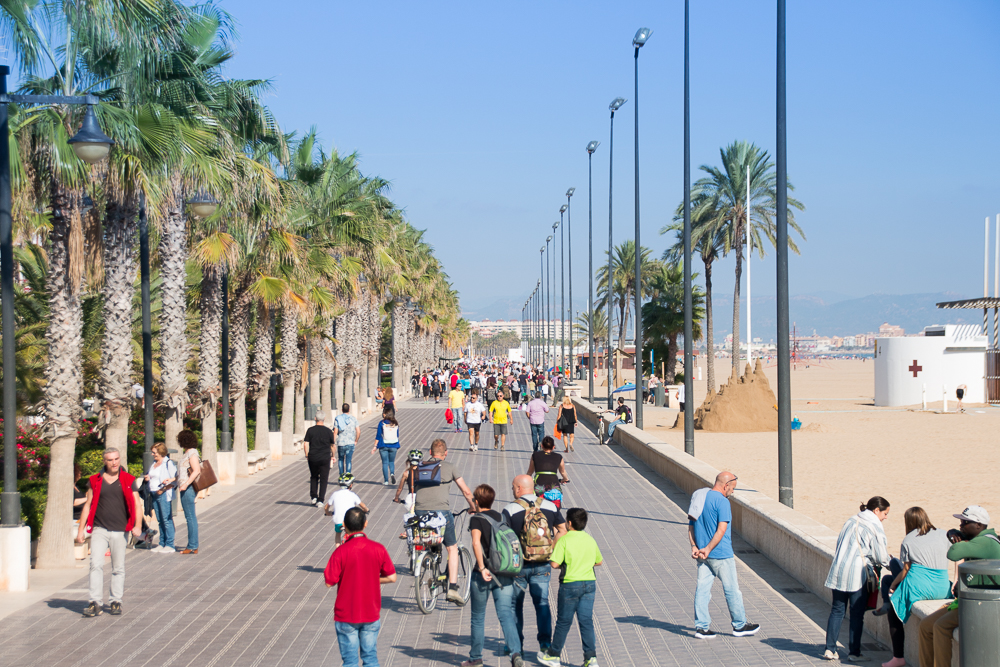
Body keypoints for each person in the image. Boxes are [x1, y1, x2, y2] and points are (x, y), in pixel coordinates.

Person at [918, 505, 1000, 667]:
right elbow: (955, 538)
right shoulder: (980, 539)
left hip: (981, 605)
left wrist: (956, 538)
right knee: (925, 626)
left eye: (965, 522)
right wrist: (952, 533)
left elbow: (953, 553)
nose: (961, 525)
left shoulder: (984, 542)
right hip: (969, 600)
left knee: (940, 627)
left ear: (978, 525)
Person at [872, 508, 951, 667]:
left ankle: (898, 657)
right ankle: (887, 599)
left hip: (919, 587)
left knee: (892, 584)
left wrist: (893, 586)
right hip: (942, 586)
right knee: (889, 577)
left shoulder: (908, 540)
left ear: (908, 522)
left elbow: (906, 570)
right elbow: (957, 554)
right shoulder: (944, 534)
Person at [690, 471, 761, 639]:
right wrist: (708, 548)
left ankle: (701, 627)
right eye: (733, 488)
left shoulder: (699, 495)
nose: (733, 492)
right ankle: (739, 625)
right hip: (720, 554)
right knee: (732, 590)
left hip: (702, 554)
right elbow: (721, 530)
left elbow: (691, 524)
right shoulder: (722, 502)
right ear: (725, 485)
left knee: (702, 590)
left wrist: (694, 546)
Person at [503, 474, 568, 655]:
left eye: (512, 487)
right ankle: (545, 643)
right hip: (543, 563)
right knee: (542, 603)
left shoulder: (510, 509)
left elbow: (502, 538)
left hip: (518, 565)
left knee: (515, 604)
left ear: (518, 488)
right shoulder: (549, 506)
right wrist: (551, 549)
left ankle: (516, 645)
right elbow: (563, 529)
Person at [324, 506, 396, 667]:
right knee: (370, 658)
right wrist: (371, 578)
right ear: (365, 524)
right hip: (370, 612)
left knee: (349, 661)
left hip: (346, 615)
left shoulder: (340, 552)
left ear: (344, 525)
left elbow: (329, 581)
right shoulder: (378, 548)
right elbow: (392, 577)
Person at [822, 496, 891, 661]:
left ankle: (829, 649)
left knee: (837, 611)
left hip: (838, 570)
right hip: (857, 574)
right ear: (876, 511)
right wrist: (892, 564)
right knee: (856, 614)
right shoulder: (874, 525)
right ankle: (854, 653)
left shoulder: (851, 520)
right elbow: (881, 556)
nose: (886, 517)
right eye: (885, 513)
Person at [76, 448, 142, 617]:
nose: (114, 462)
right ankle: (95, 602)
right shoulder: (95, 480)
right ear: (104, 462)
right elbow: (88, 505)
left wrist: (138, 525)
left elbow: (136, 504)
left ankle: (115, 601)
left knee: (118, 567)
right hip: (100, 529)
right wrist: (80, 531)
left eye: (117, 459)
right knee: (95, 565)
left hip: (120, 530)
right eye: (110, 460)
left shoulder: (128, 479)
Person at [464, 484, 524, 667]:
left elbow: (475, 543)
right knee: (506, 614)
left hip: (483, 575)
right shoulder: (501, 517)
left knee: (478, 617)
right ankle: (516, 654)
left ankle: (475, 659)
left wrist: (482, 568)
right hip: (504, 573)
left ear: (476, 501)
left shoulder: (477, 519)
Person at [411, 439, 476, 604]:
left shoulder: (418, 467)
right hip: (441, 512)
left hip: (420, 511)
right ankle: (453, 588)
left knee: (429, 538)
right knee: (452, 547)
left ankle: (429, 559)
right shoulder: (450, 467)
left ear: (430, 452)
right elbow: (466, 491)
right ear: (445, 453)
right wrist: (473, 507)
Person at [537, 508, 603, 667]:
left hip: (570, 584)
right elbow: (598, 561)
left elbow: (554, 563)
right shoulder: (590, 540)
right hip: (589, 583)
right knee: (586, 621)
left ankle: (554, 655)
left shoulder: (565, 540)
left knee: (564, 622)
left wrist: (567, 565)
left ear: (570, 523)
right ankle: (591, 658)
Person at [145, 443, 177, 553]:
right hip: (153, 493)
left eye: (154, 452)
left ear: (161, 452)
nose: (152, 454)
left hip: (163, 493)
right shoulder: (154, 463)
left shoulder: (168, 463)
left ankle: (170, 544)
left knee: (166, 519)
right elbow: (153, 475)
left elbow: (175, 480)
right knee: (159, 520)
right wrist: (148, 477)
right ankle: (162, 542)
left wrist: (162, 489)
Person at [176, 429, 202, 554]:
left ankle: (192, 545)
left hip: (188, 488)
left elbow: (196, 470)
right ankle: (192, 545)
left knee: (190, 517)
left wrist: (185, 484)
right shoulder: (188, 453)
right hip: (184, 487)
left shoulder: (192, 453)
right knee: (190, 517)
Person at [326, 473, 369, 547]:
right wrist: (366, 510)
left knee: (338, 535)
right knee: (353, 533)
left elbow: (326, 506)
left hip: (338, 521)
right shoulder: (352, 494)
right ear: (351, 485)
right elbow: (363, 505)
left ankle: (338, 550)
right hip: (349, 520)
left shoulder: (335, 494)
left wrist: (328, 512)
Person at [527, 436, 569, 508]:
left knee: (538, 506)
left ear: (542, 446)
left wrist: (526, 481)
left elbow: (530, 472)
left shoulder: (535, 455)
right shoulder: (558, 457)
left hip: (539, 484)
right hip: (554, 484)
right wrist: (565, 479)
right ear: (553, 447)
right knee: (555, 506)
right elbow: (562, 471)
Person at [304, 411, 336, 506]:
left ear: (315, 418)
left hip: (313, 457)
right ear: (324, 419)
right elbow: (332, 446)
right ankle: (320, 500)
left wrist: (307, 454)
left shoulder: (310, 430)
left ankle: (314, 496)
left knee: (314, 476)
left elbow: (306, 443)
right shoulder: (328, 431)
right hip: (325, 457)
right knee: (324, 478)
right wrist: (333, 456)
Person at [371, 408, 400, 486]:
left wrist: (375, 447)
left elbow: (378, 436)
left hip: (383, 445)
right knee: (391, 462)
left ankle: (386, 481)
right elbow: (397, 435)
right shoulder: (395, 423)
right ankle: (392, 473)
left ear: (385, 414)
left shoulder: (382, 423)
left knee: (384, 462)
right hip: (394, 445)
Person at [333, 403, 361, 475]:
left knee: (341, 459)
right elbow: (358, 431)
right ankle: (348, 476)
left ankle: (341, 475)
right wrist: (356, 440)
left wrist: (333, 443)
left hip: (341, 443)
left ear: (342, 410)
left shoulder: (338, 418)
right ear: (349, 410)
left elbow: (335, 432)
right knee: (348, 460)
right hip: (350, 442)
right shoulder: (353, 419)